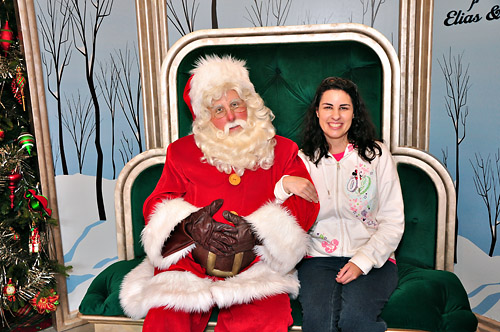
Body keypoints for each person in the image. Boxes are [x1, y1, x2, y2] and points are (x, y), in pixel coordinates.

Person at [119, 55, 320, 332]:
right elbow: (158, 202)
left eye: (235, 104)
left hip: (256, 266)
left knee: (264, 320)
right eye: (218, 110)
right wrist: (189, 226)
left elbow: (305, 204)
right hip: (190, 265)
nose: (230, 116)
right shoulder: (181, 153)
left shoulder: (283, 150)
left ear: (249, 104)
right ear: (205, 118)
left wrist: (258, 232)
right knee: (166, 319)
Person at [274, 77, 405, 332]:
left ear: (354, 113)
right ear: (317, 112)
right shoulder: (302, 160)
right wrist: (285, 184)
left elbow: (393, 221)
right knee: (319, 323)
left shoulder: (377, 156)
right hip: (317, 259)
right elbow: (275, 215)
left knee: (356, 321)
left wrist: (362, 261)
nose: (336, 115)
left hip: (373, 257)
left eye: (343, 107)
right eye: (328, 107)